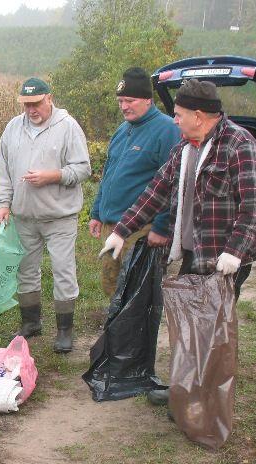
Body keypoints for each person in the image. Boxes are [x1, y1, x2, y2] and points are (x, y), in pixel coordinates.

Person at [99, 79, 256, 405]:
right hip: (195, 252)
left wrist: (234, 251)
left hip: (227, 259)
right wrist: (121, 231)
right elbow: (155, 192)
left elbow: (255, 207)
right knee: (193, 323)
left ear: (199, 115)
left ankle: (204, 399)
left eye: (178, 114)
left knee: (211, 327)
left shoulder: (239, 145)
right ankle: (189, 391)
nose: (173, 120)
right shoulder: (185, 147)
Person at [0, 77, 91, 353]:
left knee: (62, 270)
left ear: (49, 98)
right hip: (23, 216)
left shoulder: (68, 126)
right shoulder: (13, 128)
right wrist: (3, 203)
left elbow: (83, 168)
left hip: (59, 217)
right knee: (26, 269)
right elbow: (3, 170)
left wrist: (53, 176)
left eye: (36, 103)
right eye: (26, 105)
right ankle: (31, 323)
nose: (31, 110)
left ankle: (64, 330)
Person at [89, 67, 180, 297]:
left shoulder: (166, 129)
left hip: (141, 230)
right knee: (113, 289)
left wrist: (161, 227)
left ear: (148, 100)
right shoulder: (123, 129)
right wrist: (97, 211)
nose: (123, 106)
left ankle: (136, 332)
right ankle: (116, 331)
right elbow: (109, 172)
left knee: (136, 293)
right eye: (120, 101)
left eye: (129, 100)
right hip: (114, 227)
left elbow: (173, 184)